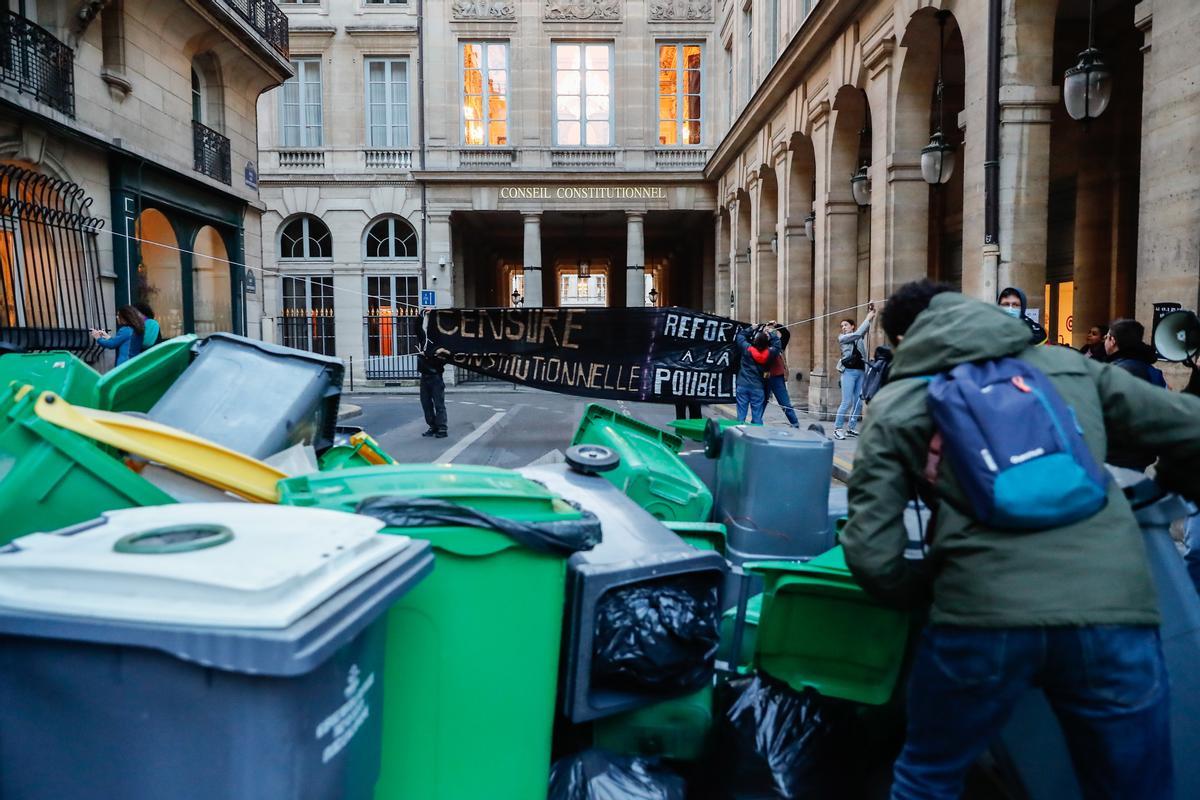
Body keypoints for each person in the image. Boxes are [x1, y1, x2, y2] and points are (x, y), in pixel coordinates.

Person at [841, 280, 1200, 800]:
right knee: (1133, 786)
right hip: (1111, 606)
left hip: (979, 617)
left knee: (929, 775)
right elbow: (1188, 427)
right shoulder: (1070, 367)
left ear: (902, 339)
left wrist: (931, 592)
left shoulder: (898, 403)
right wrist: (1171, 486)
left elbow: (869, 552)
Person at [832, 305, 874, 439]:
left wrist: (870, 312)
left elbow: (865, 329)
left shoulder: (859, 337)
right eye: (842, 326)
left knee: (858, 402)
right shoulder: (843, 338)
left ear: (852, 326)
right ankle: (838, 429)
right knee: (846, 401)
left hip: (860, 372)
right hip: (848, 372)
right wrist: (868, 317)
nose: (843, 327)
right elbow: (859, 333)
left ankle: (851, 428)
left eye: (846, 325)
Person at [734, 325, 779, 424]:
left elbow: (740, 336)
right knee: (757, 417)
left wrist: (752, 328)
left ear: (755, 341)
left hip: (743, 385)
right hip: (758, 387)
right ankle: (756, 435)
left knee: (741, 416)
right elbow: (777, 345)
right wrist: (771, 333)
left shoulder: (747, 349)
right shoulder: (769, 353)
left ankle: (739, 433)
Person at [764, 321, 800, 428]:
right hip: (765, 377)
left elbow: (786, 334)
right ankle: (756, 422)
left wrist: (776, 326)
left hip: (777, 377)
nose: (769, 332)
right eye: (766, 331)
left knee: (784, 402)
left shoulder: (778, 343)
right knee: (762, 401)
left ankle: (794, 423)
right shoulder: (760, 344)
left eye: (771, 331)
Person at [418, 351, 447, 438]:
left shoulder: (438, 344)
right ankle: (433, 426)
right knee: (425, 403)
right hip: (424, 376)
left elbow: (444, 359)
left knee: (439, 403)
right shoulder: (423, 343)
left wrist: (431, 356)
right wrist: (422, 355)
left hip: (436, 375)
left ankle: (442, 428)